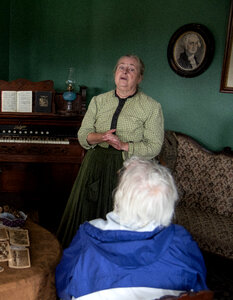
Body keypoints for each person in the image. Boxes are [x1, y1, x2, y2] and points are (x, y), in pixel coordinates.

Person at [55, 157, 208, 300]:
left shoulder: (88, 236)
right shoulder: (181, 242)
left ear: (121, 195)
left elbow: (62, 285)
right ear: (167, 202)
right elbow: (198, 289)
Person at [56, 55, 164, 247]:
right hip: (95, 164)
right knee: (84, 215)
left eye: (131, 69)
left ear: (139, 78)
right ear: (115, 73)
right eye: (121, 67)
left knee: (120, 220)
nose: (125, 72)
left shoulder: (151, 107)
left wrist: (123, 145)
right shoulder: (98, 101)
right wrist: (102, 137)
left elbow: (154, 146)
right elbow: (83, 135)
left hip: (128, 170)